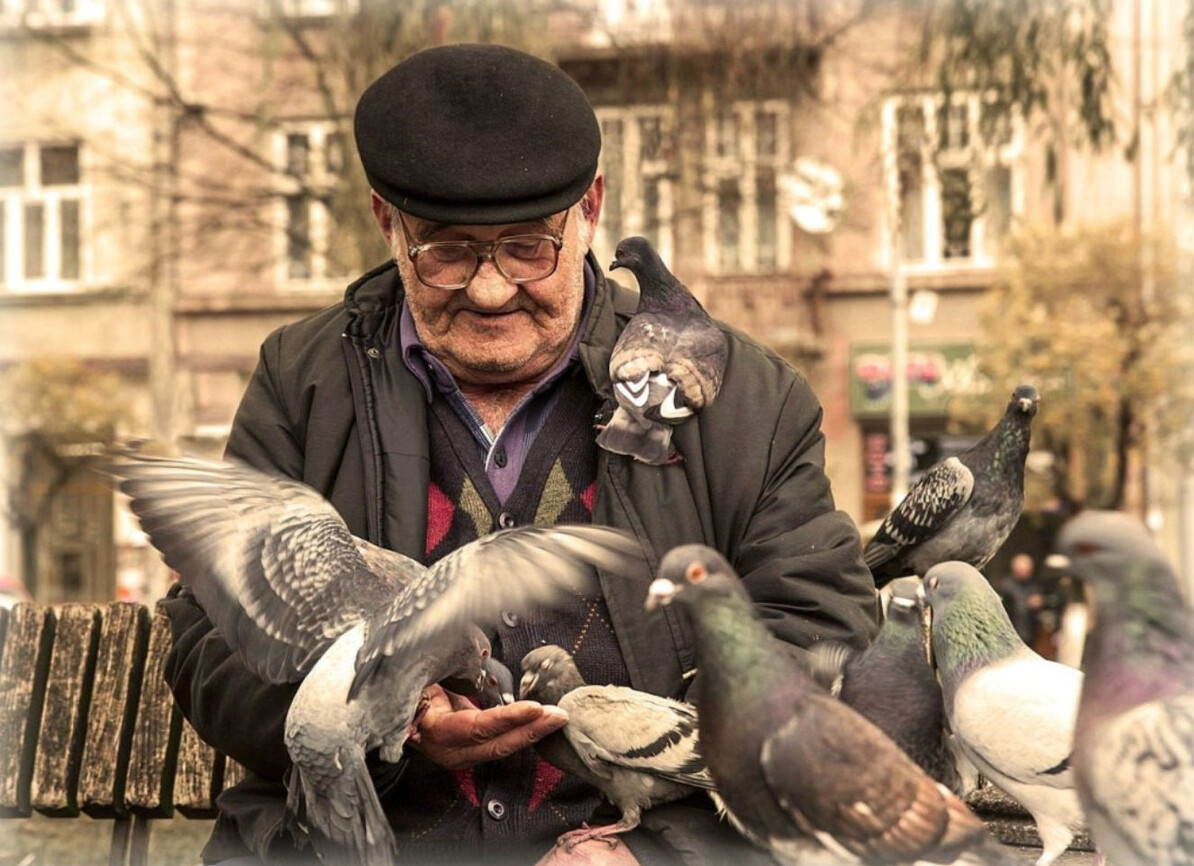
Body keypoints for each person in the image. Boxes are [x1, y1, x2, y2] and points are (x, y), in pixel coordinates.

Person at [161, 43, 877, 866]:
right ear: (384, 222)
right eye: (448, 251)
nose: (492, 289)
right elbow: (212, 641)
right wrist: (392, 713)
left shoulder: (748, 399)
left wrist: (659, 848)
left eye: (530, 247)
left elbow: (820, 634)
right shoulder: (303, 385)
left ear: (592, 211)